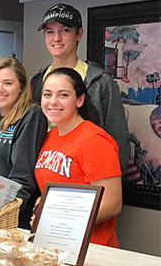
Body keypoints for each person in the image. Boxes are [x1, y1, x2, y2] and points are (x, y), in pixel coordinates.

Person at [30, 3, 129, 171]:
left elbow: (118, 140)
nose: (56, 38)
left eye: (65, 30)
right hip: (43, 173)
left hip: (86, 178)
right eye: (50, 32)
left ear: (79, 34)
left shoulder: (100, 82)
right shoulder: (37, 81)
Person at [35, 67, 122, 246]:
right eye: (47, 94)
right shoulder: (49, 137)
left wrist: (57, 221)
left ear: (80, 100)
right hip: (55, 244)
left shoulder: (95, 140)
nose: (53, 102)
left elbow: (112, 203)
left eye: (63, 95)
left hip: (92, 249)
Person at [0, 57, 47, 229]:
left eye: (8, 83)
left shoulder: (31, 115)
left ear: (21, 87)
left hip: (13, 220)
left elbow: (22, 177)